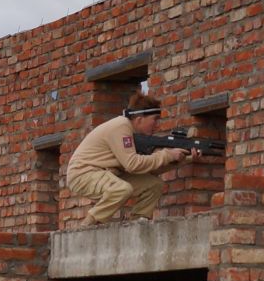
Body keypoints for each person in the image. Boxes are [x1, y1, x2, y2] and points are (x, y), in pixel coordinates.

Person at [65, 91, 198, 224]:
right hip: (82, 172)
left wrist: (183, 159)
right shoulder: (121, 126)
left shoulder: (133, 133)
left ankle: (137, 222)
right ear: (139, 119)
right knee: (122, 189)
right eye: (155, 119)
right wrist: (167, 154)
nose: (157, 125)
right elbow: (132, 164)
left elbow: (149, 170)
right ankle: (87, 225)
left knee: (153, 184)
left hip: (106, 172)